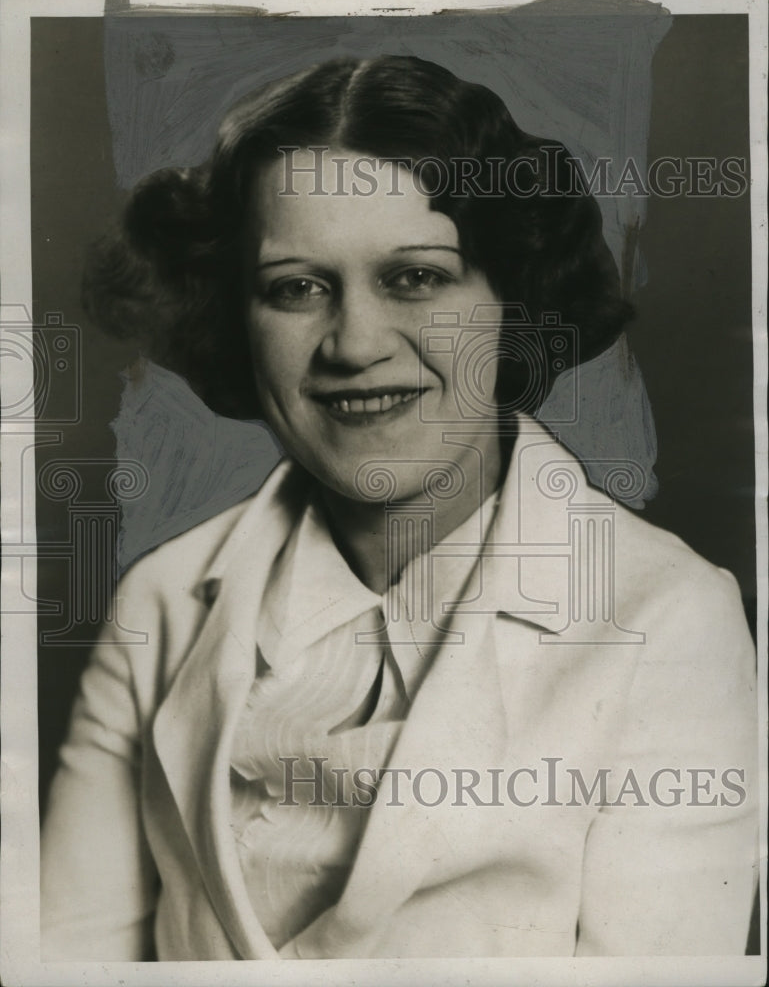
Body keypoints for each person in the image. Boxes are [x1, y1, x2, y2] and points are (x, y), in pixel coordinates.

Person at [40, 55, 757, 960]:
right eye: (296, 288)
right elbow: (65, 959)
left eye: (415, 277)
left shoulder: (667, 616)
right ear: (236, 318)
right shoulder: (160, 600)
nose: (354, 344)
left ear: (511, 300)